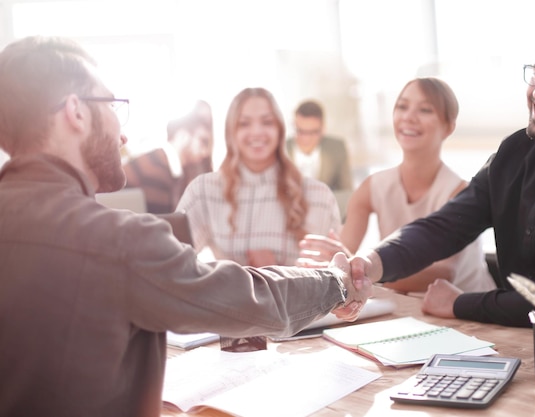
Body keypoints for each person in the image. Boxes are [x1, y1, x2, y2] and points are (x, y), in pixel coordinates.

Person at [0, 36, 371, 417]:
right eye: (111, 105)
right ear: (75, 112)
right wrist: (336, 281)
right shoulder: (118, 242)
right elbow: (250, 300)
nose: (123, 133)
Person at [349, 14, 535, 328]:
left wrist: (459, 303)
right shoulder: (514, 151)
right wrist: (370, 262)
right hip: (520, 345)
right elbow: (445, 226)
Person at [298, 77, 496, 294]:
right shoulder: (372, 187)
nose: (409, 117)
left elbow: (442, 274)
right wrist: (339, 261)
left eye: (425, 110)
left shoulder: (461, 192)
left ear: (449, 126)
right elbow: (344, 252)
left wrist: (363, 270)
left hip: (469, 311)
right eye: (402, 107)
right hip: (406, 306)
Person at [176, 88, 342, 267]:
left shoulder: (319, 196)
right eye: (244, 123)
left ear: (280, 130)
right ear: (230, 133)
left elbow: (337, 278)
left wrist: (278, 273)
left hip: (298, 295)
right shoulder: (204, 191)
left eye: (267, 122)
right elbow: (173, 262)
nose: (256, 132)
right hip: (230, 295)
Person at [123, 99, 214, 213]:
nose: (205, 152)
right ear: (183, 136)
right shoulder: (156, 169)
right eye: (203, 141)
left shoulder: (162, 163)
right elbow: (163, 223)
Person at [286, 100, 353, 217]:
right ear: (294, 125)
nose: (306, 139)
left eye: (312, 132)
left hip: (326, 218)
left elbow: (346, 193)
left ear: (323, 129)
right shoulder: (280, 149)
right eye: (300, 131)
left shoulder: (337, 148)